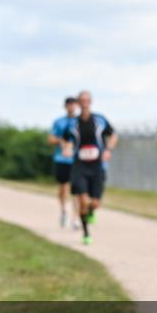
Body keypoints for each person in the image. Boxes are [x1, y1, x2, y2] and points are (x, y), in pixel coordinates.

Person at [70, 90, 117, 244]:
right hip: (80, 165)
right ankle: (85, 233)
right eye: (81, 100)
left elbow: (113, 134)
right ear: (78, 103)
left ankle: (91, 210)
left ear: (90, 102)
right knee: (83, 200)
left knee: (95, 203)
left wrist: (108, 150)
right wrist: (65, 147)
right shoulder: (72, 123)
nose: (84, 103)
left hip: (97, 166)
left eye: (87, 100)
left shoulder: (100, 120)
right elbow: (64, 138)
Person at [49, 96, 80, 227]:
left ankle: (76, 218)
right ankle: (63, 210)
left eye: (74, 104)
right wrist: (61, 142)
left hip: (77, 159)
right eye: (69, 104)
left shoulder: (80, 121)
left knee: (78, 189)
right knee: (63, 188)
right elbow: (50, 139)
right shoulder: (59, 122)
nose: (71, 107)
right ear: (65, 106)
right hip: (62, 159)